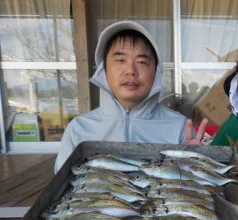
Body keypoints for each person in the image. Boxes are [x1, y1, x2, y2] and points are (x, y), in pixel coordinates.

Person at [55, 21, 207, 172]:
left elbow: (195, 189)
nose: (131, 71)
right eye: (120, 60)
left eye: (142, 62)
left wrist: (196, 165)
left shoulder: (179, 128)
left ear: (156, 72)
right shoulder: (79, 129)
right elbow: (63, 187)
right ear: (103, 69)